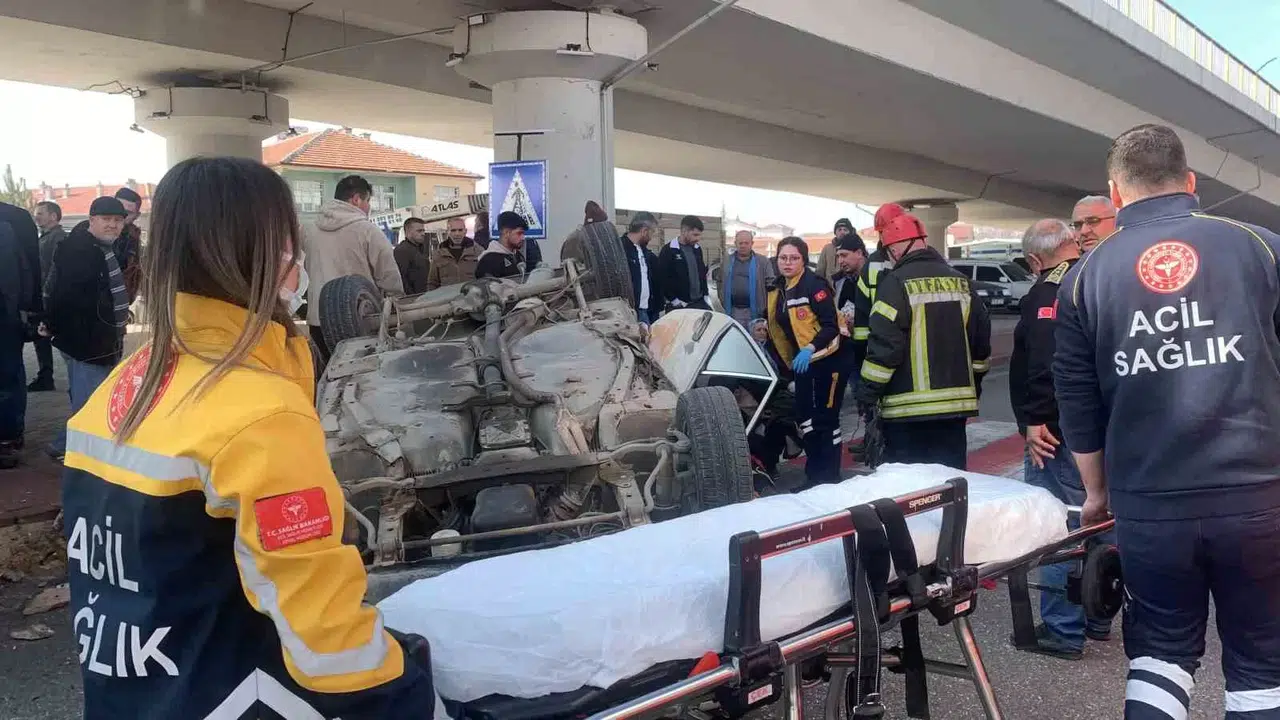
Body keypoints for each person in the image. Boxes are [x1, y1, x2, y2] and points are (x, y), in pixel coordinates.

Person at [60, 156, 440, 719]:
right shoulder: (261, 415)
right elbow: (327, 638)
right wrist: (410, 696)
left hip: (134, 699)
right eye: (291, 241)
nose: (299, 257)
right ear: (263, 251)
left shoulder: (125, 384)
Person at [1055, 123, 1280, 720]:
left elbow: (1076, 397)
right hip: (1259, 495)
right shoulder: (1260, 247)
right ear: (1190, 181)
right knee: (1263, 664)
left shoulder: (1084, 277)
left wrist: (1097, 493)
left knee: (1160, 656)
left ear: (1116, 192)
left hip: (1150, 503)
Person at [1008, 218, 1112, 660]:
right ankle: (1099, 614)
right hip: (1101, 424)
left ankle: (1063, 629)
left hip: (1057, 430)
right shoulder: (1097, 275)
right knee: (1099, 519)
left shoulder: (1050, 289)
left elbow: (1046, 362)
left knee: (1059, 525)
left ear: (1035, 259)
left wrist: (1035, 419)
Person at [854, 213, 990, 469]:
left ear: (895, 249)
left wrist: (867, 393)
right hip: (955, 410)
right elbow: (980, 345)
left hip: (905, 413)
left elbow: (884, 349)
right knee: (950, 484)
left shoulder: (894, 284)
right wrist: (975, 387)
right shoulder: (962, 282)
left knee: (912, 488)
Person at [44, 196, 132, 464]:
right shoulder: (80, 251)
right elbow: (61, 294)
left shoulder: (101, 247)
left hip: (98, 339)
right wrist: (52, 324)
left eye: (117, 220)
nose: (112, 225)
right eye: (106, 219)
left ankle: (71, 446)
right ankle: (70, 450)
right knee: (91, 403)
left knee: (89, 398)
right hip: (88, 343)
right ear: (92, 220)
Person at [765, 237, 850, 489]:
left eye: (794, 258)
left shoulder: (814, 285)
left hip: (830, 360)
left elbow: (830, 325)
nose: (787, 263)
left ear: (803, 260)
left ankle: (829, 477)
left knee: (826, 419)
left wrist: (811, 347)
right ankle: (814, 477)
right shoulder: (778, 289)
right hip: (803, 363)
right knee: (806, 420)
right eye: (783, 258)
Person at [303, 174, 404, 364]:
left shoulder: (310, 231)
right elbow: (388, 276)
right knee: (362, 375)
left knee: (328, 374)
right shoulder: (368, 230)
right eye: (368, 201)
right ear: (356, 199)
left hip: (318, 320)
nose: (369, 207)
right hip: (359, 320)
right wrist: (397, 307)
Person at [0, 201, 41, 468]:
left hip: (6, 314)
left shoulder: (14, 218)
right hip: (9, 311)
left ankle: (8, 438)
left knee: (8, 374)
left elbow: (31, 268)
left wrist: (32, 309)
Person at [30, 200, 64, 392]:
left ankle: (47, 376)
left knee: (45, 336)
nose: (36, 217)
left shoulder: (57, 238)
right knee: (40, 337)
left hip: (49, 296)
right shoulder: (46, 237)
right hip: (44, 295)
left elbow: (55, 269)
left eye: (40, 213)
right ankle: (45, 375)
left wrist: (47, 294)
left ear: (53, 216)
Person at [715, 230, 775, 327]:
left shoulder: (763, 262)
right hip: (733, 311)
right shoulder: (727, 261)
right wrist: (722, 298)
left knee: (755, 336)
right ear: (735, 243)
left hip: (757, 312)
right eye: (740, 243)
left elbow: (771, 284)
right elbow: (719, 281)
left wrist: (765, 306)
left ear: (752, 243)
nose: (743, 246)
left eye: (746, 243)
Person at [657, 215, 710, 311]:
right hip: (678, 306)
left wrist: (705, 295)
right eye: (695, 235)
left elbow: (702, 274)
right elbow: (662, 278)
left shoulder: (697, 249)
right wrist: (674, 301)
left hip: (699, 303)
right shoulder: (668, 250)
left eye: (699, 235)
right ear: (684, 231)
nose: (698, 238)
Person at [620, 211, 662, 326]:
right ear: (644, 231)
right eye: (652, 232)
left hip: (647, 311)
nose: (652, 237)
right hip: (629, 313)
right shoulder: (620, 250)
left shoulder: (646, 253)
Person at [427, 216, 480, 290]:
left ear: (465, 231)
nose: (457, 234)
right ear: (448, 232)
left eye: (460, 230)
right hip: (448, 296)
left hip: (472, 295)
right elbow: (432, 282)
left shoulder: (478, 251)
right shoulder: (439, 254)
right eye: (453, 230)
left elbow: (486, 278)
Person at [475, 211, 528, 280]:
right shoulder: (488, 260)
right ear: (506, 233)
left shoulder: (518, 256)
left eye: (523, 234)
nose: (523, 238)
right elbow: (487, 285)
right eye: (519, 233)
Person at [393, 216, 431, 295]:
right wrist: (411, 297)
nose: (423, 234)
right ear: (408, 232)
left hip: (426, 295)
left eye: (423, 230)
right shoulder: (402, 251)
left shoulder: (420, 249)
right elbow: (401, 279)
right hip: (414, 298)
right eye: (419, 231)